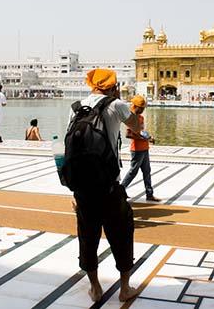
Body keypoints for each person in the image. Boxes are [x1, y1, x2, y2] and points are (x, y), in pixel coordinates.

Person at [68, 69, 140, 303]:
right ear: (112, 85)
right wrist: (120, 99)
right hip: (109, 187)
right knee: (122, 234)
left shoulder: (76, 108)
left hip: (83, 189)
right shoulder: (116, 104)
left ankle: (96, 288)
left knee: (87, 238)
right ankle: (125, 288)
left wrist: (73, 190)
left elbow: (69, 152)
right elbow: (136, 126)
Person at [121, 95, 160, 202]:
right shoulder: (131, 118)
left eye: (143, 108)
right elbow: (128, 135)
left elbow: (141, 132)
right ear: (135, 106)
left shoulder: (141, 118)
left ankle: (149, 194)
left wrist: (148, 138)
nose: (142, 110)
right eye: (141, 107)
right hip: (137, 149)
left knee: (147, 171)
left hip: (144, 148)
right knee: (133, 172)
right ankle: (120, 191)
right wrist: (142, 138)